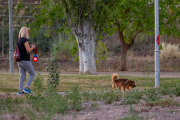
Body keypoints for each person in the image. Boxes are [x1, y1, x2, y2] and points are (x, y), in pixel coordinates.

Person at [17, 27, 36, 94]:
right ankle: (27, 88)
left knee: (22, 75)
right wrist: (33, 47)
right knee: (32, 74)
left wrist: (30, 45)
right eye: (28, 32)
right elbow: (28, 50)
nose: (28, 33)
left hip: (19, 61)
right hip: (25, 60)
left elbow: (23, 48)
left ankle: (20, 90)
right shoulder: (25, 40)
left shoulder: (19, 40)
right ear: (25, 32)